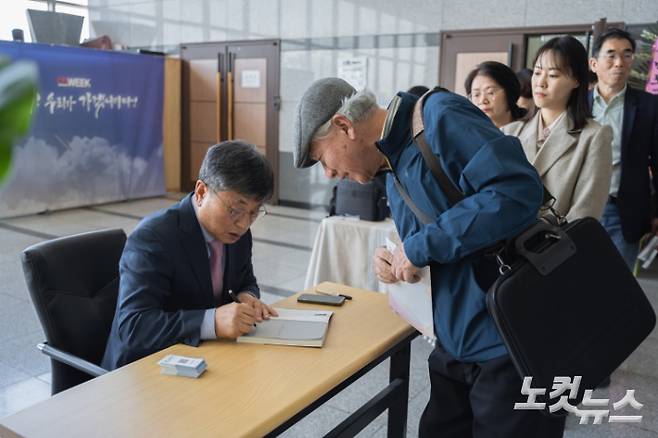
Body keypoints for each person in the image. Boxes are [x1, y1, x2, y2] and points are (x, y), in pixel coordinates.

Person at [293, 78, 565, 437]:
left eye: (321, 159)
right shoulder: (390, 165)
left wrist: (420, 247)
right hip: (456, 341)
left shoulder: (439, 117)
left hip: (511, 344)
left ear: (344, 126)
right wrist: (394, 258)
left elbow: (516, 191)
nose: (328, 174)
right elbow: (442, 232)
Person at [102, 141, 277, 370]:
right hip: (143, 369)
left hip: (204, 358)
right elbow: (134, 327)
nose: (244, 223)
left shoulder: (238, 233)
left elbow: (245, 279)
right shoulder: (154, 237)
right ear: (202, 192)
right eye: (235, 210)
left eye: (254, 213)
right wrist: (211, 321)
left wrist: (246, 296)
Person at [502, 36, 613, 222]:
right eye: (537, 73)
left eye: (553, 75)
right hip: (504, 243)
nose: (541, 82)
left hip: (556, 246)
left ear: (576, 80)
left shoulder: (594, 136)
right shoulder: (510, 133)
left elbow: (586, 211)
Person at [589, 28, 658, 268]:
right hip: (579, 209)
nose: (619, 62)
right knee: (577, 284)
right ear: (594, 63)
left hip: (623, 210)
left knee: (617, 289)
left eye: (627, 55)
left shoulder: (649, 106)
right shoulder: (577, 105)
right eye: (611, 55)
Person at [464, 61, 527, 127]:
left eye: (490, 92)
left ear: (509, 92)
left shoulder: (527, 132)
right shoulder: (468, 132)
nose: (482, 101)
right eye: (476, 95)